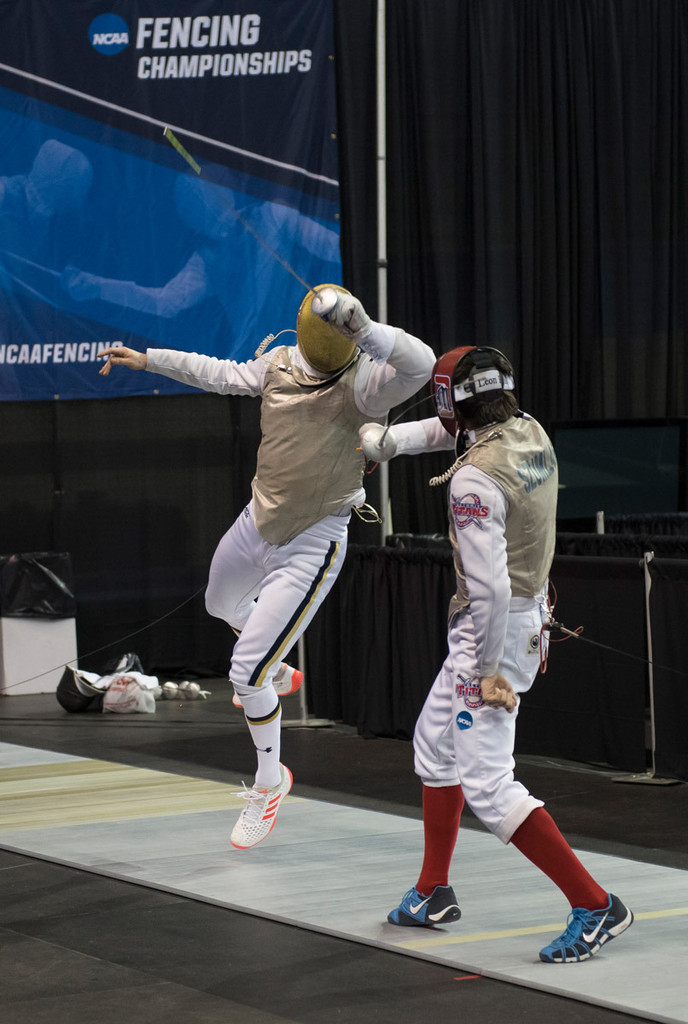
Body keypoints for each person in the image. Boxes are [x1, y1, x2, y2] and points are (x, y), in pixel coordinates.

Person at [98, 285, 436, 850]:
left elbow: (423, 365)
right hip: (257, 521)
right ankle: (275, 668)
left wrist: (368, 330)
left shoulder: (368, 382)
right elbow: (219, 372)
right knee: (218, 603)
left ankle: (270, 780)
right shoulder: (280, 363)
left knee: (243, 674)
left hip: (314, 540)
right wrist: (151, 358)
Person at [358, 345, 634, 964]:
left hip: (496, 629)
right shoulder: (525, 428)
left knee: (488, 781)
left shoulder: (475, 480)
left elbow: (488, 587)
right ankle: (433, 891)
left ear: (454, 400)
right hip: (519, 616)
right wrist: (385, 443)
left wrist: (486, 672)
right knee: (435, 747)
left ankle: (595, 905)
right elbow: (446, 427)